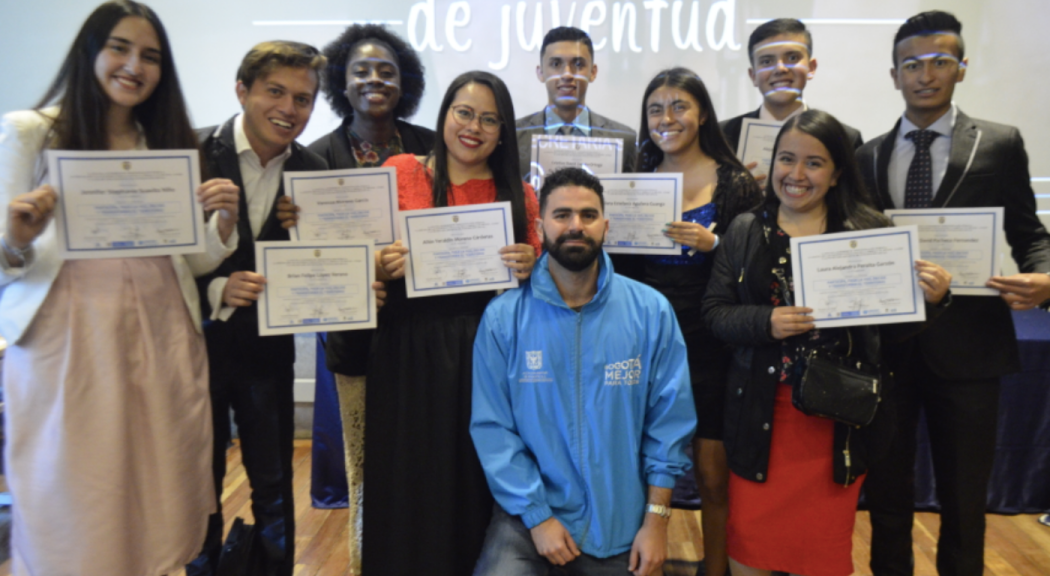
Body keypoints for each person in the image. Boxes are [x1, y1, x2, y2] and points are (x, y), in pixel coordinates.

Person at [0, 1, 240, 574]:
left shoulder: (164, 143)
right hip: (68, 340)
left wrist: (224, 222)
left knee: (157, 484)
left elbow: (192, 261)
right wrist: (15, 237)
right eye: (120, 48)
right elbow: (9, 258)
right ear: (90, 53)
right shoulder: (30, 132)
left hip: (162, 334)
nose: (135, 66)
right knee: (73, 489)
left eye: (151, 57)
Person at [702, 110, 951, 576]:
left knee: (821, 558)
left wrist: (931, 302)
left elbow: (891, 335)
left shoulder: (869, 232)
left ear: (837, 173)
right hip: (760, 416)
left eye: (813, 163)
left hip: (834, 422)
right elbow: (715, 313)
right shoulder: (744, 229)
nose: (796, 175)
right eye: (786, 159)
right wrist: (766, 322)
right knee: (749, 556)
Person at [857, 11, 1050, 576]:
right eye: (911, 64)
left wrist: (1045, 278)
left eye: (940, 61)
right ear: (893, 75)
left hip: (971, 349)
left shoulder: (999, 143)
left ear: (961, 68)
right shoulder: (867, 154)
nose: (925, 74)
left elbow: (1029, 235)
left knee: (965, 499)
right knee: (888, 497)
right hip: (889, 349)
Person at [471, 166, 697, 576]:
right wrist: (537, 516)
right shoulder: (504, 318)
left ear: (605, 225)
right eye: (562, 215)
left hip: (621, 523)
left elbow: (670, 426)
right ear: (539, 226)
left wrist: (656, 523)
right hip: (527, 518)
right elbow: (493, 430)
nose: (575, 226)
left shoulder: (650, 312)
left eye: (588, 215)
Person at [365, 70, 542, 576]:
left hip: (486, 354)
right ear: (443, 115)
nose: (474, 127)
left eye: (490, 119)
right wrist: (379, 264)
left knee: (472, 475)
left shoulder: (520, 195)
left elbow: (543, 286)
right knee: (409, 473)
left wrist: (533, 265)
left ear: (504, 131)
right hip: (407, 350)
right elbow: (362, 252)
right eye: (464, 113)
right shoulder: (400, 171)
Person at [610, 67, 761, 576]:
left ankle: (714, 567)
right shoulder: (634, 180)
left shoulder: (735, 181)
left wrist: (715, 246)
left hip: (711, 343)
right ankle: (633, 561)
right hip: (645, 339)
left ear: (701, 115)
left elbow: (760, 267)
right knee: (636, 463)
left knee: (713, 472)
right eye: (656, 108)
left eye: (679, 106)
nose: (667, 118)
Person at [187, 41, 327, 576]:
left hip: (268, 357)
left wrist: (305, 231)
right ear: (242, 90)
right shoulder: (192, 153)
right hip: (193, 352)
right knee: (197, 490)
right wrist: (214, 290)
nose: (290, 109)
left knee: (273, 489)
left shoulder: (313, 172)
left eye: (304, 99)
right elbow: (156, 265)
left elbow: (323, 269)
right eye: (276, 92)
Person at [307, 24, 436, 573]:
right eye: (361, 70)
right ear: (342, 80)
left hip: (427, 332)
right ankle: (367, 559)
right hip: (356, 335)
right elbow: (307, 256)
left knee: (426, 454)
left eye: (387, 70)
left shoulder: (432, 146)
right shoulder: (313, 159)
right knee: (364, 463)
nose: (374, 80)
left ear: (404, 80)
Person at [720, 18, 863, 182]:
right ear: (753, 76)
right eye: (767, 61)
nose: (780, 68)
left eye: (793, 58)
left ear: (811, 68)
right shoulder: (722, 136)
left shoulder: (845, 139)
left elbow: (853, 203)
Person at [515, 26, 638, 184]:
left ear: (593, 72)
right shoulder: (514, 137)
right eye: (555, 64)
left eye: (578, 64)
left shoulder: (624, 140)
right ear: (540, 73)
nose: (567, 74)